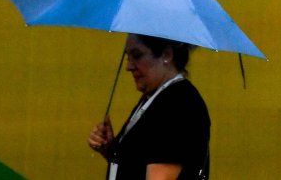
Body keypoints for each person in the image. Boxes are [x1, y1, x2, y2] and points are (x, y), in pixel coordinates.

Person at [87, 34, 210, 180]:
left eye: (137, 56)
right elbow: (139, 164)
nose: (129, 66)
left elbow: (161, 176)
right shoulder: (155, 98)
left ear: (167, 55)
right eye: (128, 57)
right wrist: (111, 149)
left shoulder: (178, 104)